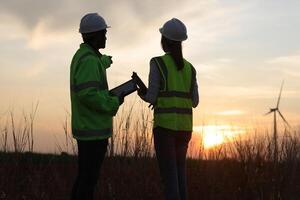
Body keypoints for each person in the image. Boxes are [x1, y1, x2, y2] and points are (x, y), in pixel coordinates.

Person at [138, 18, 199, 200]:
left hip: (165, 130)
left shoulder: (157, 63)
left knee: (170, 181)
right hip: (185, 130)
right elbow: (195, 102)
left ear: (164, 41)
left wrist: (142, 92)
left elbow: (151, 97)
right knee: (181, 179)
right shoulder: (190, 68)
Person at [70, 13, 123, 200]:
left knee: (84, 180)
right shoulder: (89, 61)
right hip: (93, 132)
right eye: (103, 33)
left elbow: (92, 72)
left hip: (88, 130)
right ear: (93, 36)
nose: (105, 37)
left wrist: (104, 62)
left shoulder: (86, 57)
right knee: (88, 184)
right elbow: (88, 94)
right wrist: (114, 101)